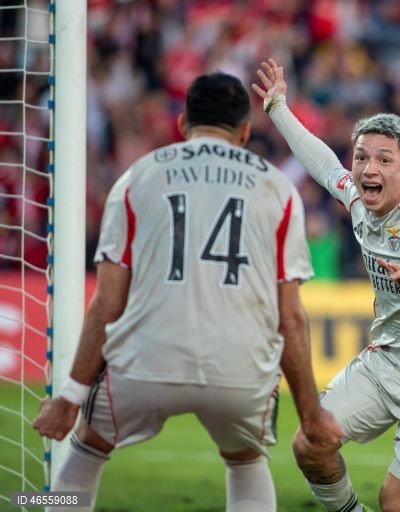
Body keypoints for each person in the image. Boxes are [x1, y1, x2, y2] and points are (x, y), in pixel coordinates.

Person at [32, 72, 342, 512]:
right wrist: (310, 415)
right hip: (238, 368)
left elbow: (107, 304)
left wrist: (70, 396)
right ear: (245, 131)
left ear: (182, 124)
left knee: (87, 449)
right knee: (246, 460)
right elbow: (290, 317)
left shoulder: (137, 178)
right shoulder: (279, 190)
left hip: (146, 361)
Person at [253, 59, 400, 512]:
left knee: (396, 501)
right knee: (310, 443)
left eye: (383, 159)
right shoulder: (358, 198)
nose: (367, 168)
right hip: (385, 361)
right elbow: (323, 163)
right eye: (361, 157)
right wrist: (278, 107)